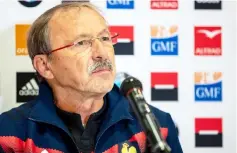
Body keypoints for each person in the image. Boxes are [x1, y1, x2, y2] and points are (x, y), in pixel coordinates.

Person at [0, 2, 183, 153]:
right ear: (45, 65)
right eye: (82, 43)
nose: (102, 53)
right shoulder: (9, 133)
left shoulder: (157, 128)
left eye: (105, 39)